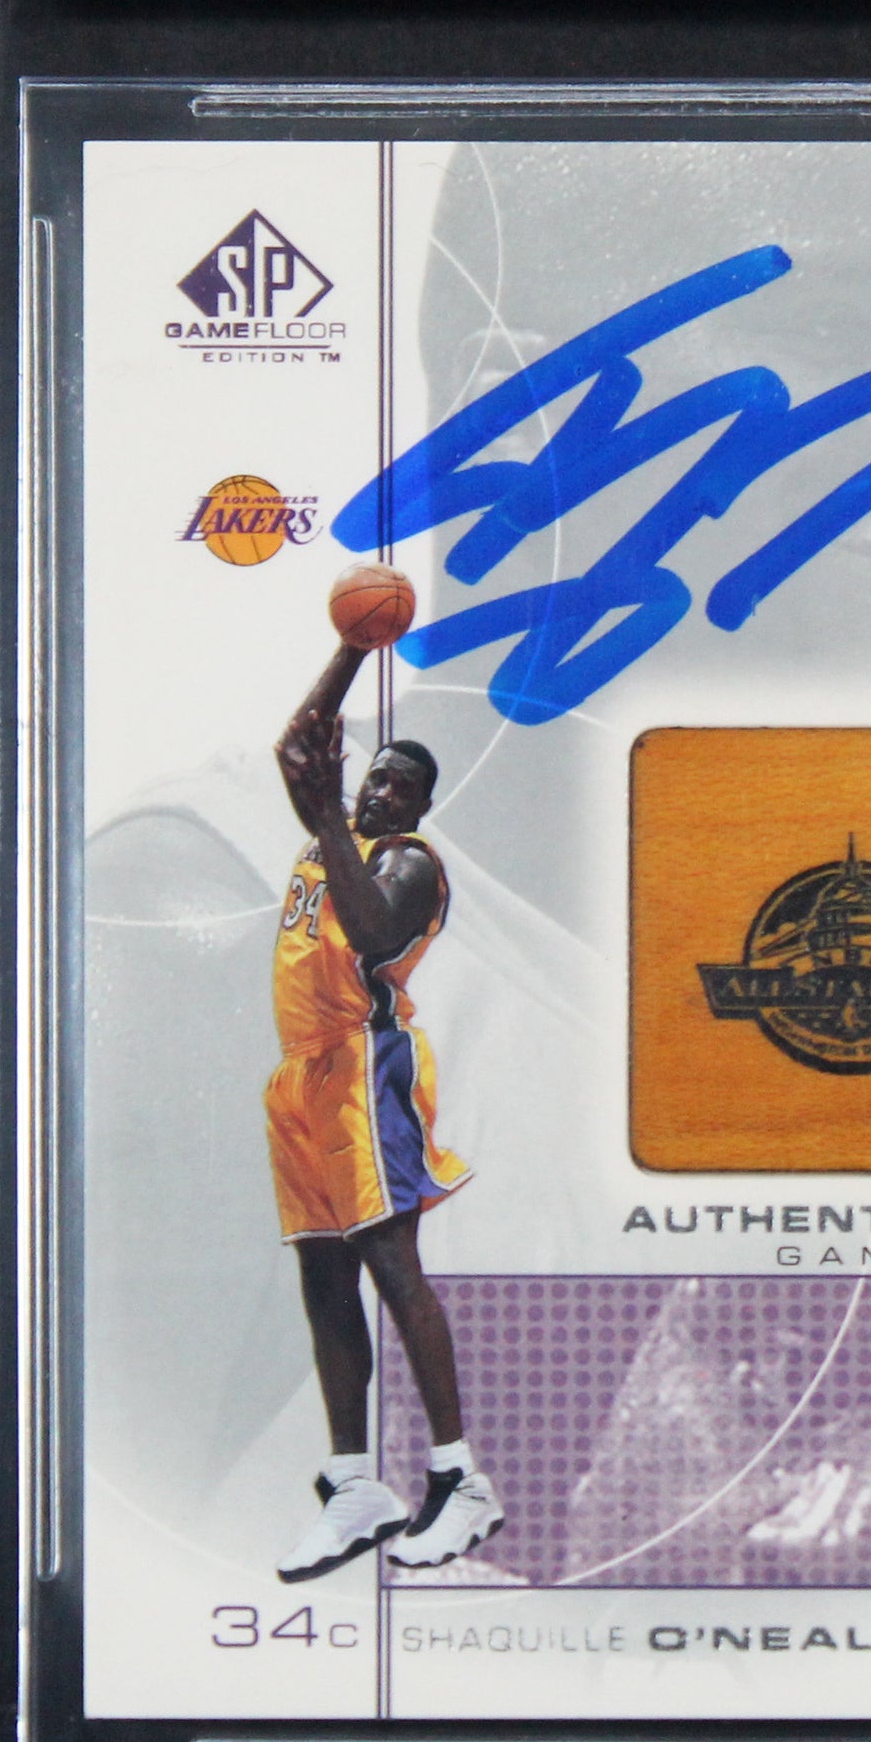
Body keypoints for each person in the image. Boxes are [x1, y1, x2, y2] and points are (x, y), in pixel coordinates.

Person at [265, 638, 503, 1580]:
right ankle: (356, 1484)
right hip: (299, 1076)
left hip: (366, 1065)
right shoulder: (332, 830)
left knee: (393, 1264)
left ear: (419, 809)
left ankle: (459, 1480)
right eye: (376, 776)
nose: (382, 791)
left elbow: (369, 932)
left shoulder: (411, 865)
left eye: (401, 787)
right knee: (324, 1278)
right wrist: (353, 647)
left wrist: (331, 817)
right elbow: (298, 742)